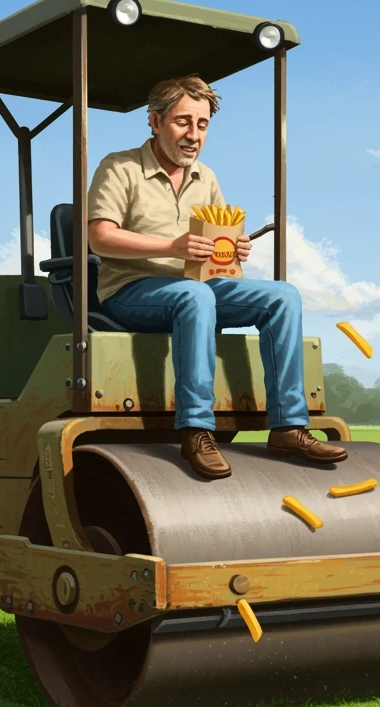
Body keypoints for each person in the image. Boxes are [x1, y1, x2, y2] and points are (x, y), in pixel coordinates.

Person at [86, 74, 347, 480]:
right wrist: (171, 247)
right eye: (183, 122)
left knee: (283, 297)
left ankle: (289, 426)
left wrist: (234, 250)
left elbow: (217, 245)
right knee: (195, 296)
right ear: (154, 122)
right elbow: (100, 237)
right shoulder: (119, 168)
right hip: (131, 290)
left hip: (197, 288)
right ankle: (196, 429)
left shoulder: (205, 177)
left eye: (202, 125)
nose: (194, 135)